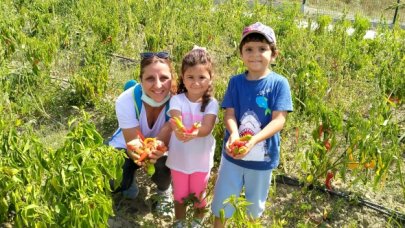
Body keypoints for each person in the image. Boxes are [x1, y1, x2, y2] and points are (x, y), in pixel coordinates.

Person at [211, 22, 293, 227]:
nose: (255, 54)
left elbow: (279, 120)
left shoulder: (279, 83)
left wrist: (253, 140)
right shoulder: (236, 82)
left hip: (262, 160)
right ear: (241, 54)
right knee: (221, 206)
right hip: (233, 156)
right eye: (248, 49)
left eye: (262, 49)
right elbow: (229, 114)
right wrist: (234, 135)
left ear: (274, 54)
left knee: (253, 209)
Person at [108, 51, 176, 216]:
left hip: (160, 147)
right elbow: (133, 144)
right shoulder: (126, 100)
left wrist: (156, 150)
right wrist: (142, 154)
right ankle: (128, 180)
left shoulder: (178, 101)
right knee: (113, 176)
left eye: (164, 78)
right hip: (127, 145)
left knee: (165, 161)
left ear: (172, 79)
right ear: (140, 80)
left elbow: (167, 137)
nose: (158, 85)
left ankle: (164, 191)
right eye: (150, 78)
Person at [166, 47, 218, 227]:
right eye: (190, 77)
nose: (196, 82)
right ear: (182, 77)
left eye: (202, 77)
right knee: (179, 195)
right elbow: (175, 119)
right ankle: (179, 222)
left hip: (201, 160)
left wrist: (194, 132)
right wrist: (180, 130)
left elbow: (207, 127)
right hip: (179, 158)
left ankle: (197, 222)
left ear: (210, 78)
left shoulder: (211, 103)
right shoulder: (177, 100)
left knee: (199, 195)